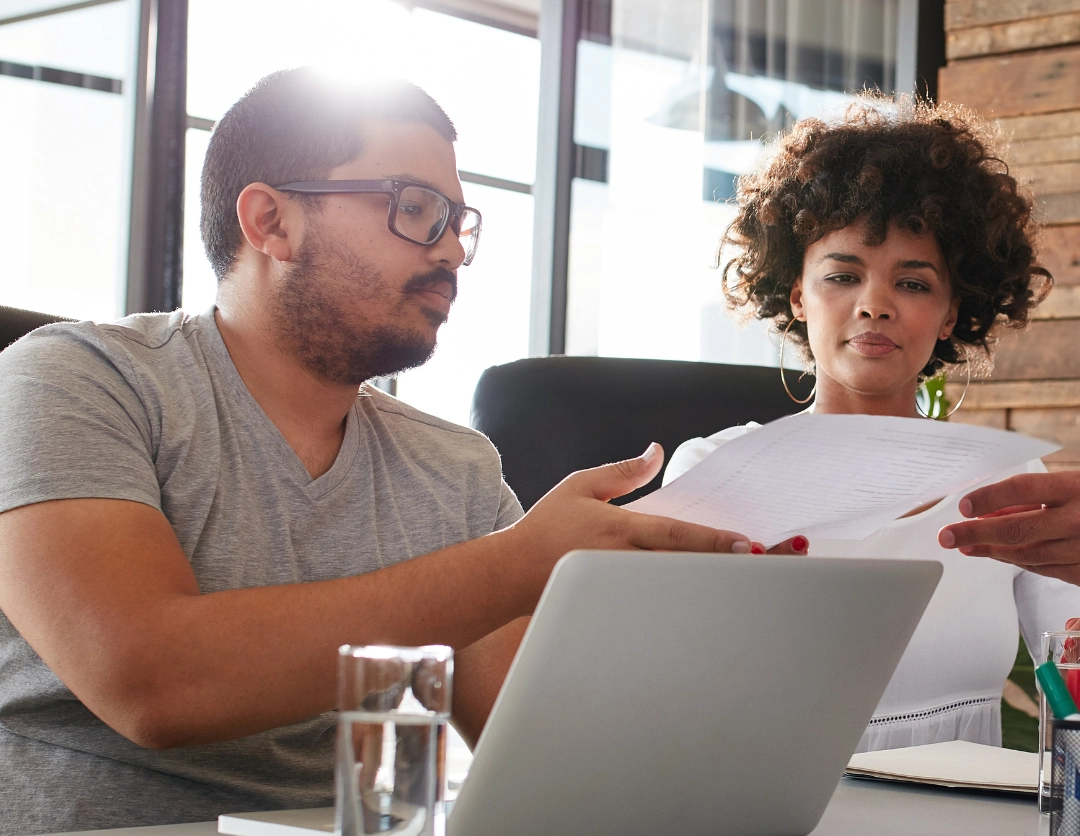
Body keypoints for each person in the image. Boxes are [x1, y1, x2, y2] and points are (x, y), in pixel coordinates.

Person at [0, 68, 770, 834]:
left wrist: (697, 634)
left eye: (458, 223)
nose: (452, 254)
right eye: (415, 209)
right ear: (270, 221)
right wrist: (519, 563)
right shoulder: (73, 379)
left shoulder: (455, 471)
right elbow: (152, 683)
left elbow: (550, 753)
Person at [663, 96, 1080, 752]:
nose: (875, 306)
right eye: (842, 276)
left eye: (913, 284)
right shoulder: (713, 476)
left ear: (950, 313)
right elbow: (662, 704)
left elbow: (1077, 697)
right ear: (798, 294)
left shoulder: (1008, 485)